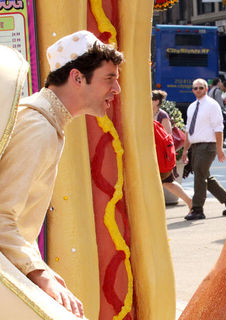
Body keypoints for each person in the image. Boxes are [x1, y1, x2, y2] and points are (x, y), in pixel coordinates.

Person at [0, 30, 123, 318]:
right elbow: (2, 217)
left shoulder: (45, 121)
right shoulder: (38, 126)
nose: (117, 88)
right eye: (109, 78)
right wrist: (39, 274)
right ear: (78, 78)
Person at [182, 78, 226, 220]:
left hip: (208, 146)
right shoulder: (192, 107)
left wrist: (219, 149)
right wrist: (185, 150)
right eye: (195, 88)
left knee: (200, 175)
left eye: (201, 87)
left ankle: (197, 209)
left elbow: (219, 128)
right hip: (195, 146)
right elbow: (188, 130)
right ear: (192, 90)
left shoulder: (212, 105)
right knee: (204, 175)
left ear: (206, 89)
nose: (198, 90)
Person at [152, 90, 192, 210]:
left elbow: (168, 136)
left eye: (151, 99)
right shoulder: (147, 113)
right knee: (165, 182)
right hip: (153, 154)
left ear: (157, 101)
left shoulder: (162, 115)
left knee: (168, 182)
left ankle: (189, 201)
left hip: (162, 155)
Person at [208, 77, 226, 148]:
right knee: (225, 123)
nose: (221, 84)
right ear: (218, 83)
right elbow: (219, 102)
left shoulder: (211, 90)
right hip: (218, 112)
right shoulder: (217, 91)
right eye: (220, 82)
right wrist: (224, 109)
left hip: (211, 111)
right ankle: (221, 142)